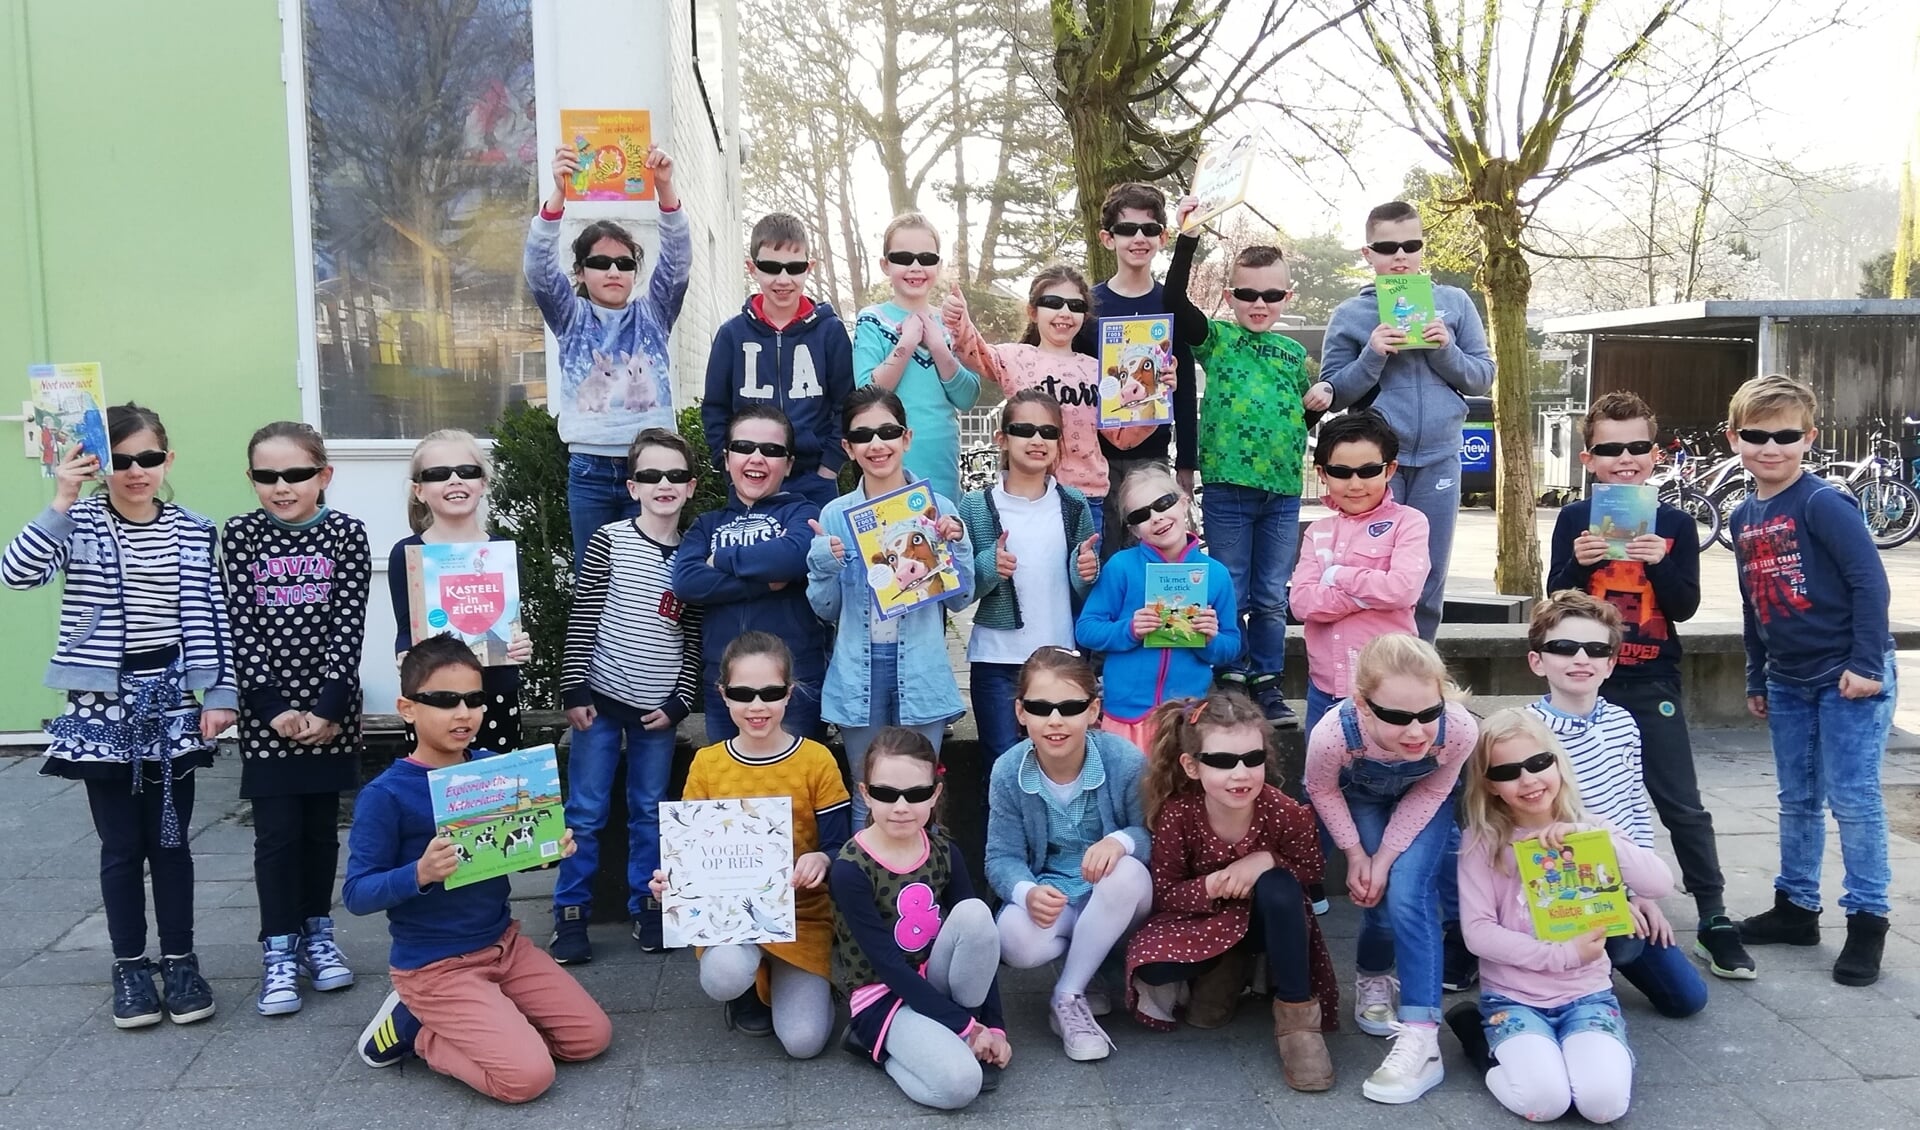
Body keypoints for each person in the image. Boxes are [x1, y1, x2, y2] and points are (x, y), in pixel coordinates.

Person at [4, 404, 232, 1029]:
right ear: (104, 463)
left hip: (170, 704)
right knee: (121, 845)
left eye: (149, 459)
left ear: (167, 460)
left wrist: (219, 694)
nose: (136, 472)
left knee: (171, 842)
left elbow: (209, 616)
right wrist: (62, 496)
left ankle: (181, 961)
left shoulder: (191, 528)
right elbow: (17, 574)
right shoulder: (78, 523)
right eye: (122, 460)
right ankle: (131, 965)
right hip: (102, 707)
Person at [346, 636, 609, 1103]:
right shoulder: (385, 795)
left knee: (590, 1039)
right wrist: (420, 873)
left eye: (474, 699)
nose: (463, 713)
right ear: (408, 708)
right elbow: (358, 893)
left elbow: (509, 849)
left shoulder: (490, 770)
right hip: (435, 965)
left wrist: (549, 848)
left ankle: (487, 1019)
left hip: (502, 945)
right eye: (444, 701)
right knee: (527, 1079)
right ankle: (417, 1030)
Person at [1546, 390, 1753, 979]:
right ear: (1588, 459)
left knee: (1679, 800)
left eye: (1638, 446)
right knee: (1568, 796)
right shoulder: (1572, 518)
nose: (1626, 459)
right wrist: (1579, 564)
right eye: (1610, 450)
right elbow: (1555, 605)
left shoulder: (1676, 522)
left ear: (1656, 453)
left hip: (1650, 675)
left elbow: (1685, 606)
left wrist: (1661, 560)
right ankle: (1577, 900)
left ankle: (1712, 916)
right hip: (1585, 679)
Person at [1724, 374, 1896, 987]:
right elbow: (1753, 604)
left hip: (1849, 674)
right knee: (1796, 799)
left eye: (1786, 435)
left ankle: (1868, 920)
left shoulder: (1823, 503)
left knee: (1853, 798)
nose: (1771, 447)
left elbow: (1869, 583)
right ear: (1735, 437)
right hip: (1789, 678)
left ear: (1809, 438)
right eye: (1757, 435)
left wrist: (1869, 665)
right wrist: (1758, 673)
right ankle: (1797, 906)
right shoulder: (1745, 514)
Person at [1455, 709, 1673, 1124]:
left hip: (1587, 996)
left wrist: (1597, 839)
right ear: (1490, 785)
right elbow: (1478, 933)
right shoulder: (1482, 842)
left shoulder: (1589, 829)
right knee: (1545, 1102)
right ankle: (1479, 1044)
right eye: (1509, 771)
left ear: (1557, 762)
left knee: (1603, 1106)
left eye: (1539, 763)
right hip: (1513, 998)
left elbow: (1659, 883)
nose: (1530, 780)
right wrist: (1564, 955)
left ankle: (1554, 1059)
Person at [222, 421, 371, 1016]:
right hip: (269, 715)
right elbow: (240, 625)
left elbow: (348, 622)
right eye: (267, 476)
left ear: (323, 476)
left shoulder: (346, 535)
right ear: (253, 479)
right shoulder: (240, 535)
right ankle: (278, 949)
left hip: (331, 711)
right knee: (277, 835)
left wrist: (329, 707)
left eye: (297, 474)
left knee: (318, 832)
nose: (282, 486)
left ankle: (318, 935)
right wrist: (273, 708)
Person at [1125, 688, 1338, 1093]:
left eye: (1252, 759)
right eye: (1222, 761)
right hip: (1206, 922)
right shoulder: (1179, 813)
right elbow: (1165, 890)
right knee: (1152, 966)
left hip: (1268, 918)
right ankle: (1231, 965)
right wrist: (1206, 886)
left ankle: (1297, 1020)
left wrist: (1266, 860)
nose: (1240, 774)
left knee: (1279, 886)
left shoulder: (1285, 812)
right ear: (1192, 766)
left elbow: (1312, 869)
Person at [650, 632, 849, 1053]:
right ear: (723, 695)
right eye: (743, 693)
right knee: (723, 975)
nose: (757, 706)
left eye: (770, 693)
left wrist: (821, 858)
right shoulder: (707, 764)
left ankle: (797, 981)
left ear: (788, 694)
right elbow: (685, 854)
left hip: (801, 917)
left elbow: (840, 847)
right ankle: (748, 983)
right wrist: (670, 884)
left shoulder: (817, 759)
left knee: (804, 1043)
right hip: (728, 919)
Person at [1303, 634, 1478, 1105]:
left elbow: (1432, 793)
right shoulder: (1334, 732)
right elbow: (1321, 790)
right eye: (1396, 717)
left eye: (1428, 712)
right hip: (1358, 795)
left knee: (1408, 893)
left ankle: (1422, 1034)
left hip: (1424, 799)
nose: (1416, 731)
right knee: (1373, 896)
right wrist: (1358, 857)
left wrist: (1384, 859)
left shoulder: (1458, 730)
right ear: (1362, 703)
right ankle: (1374, 974)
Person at [1165, 195, 1319, 726]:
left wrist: (1320, 404)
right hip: (1228, 486)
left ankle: (1268, 683)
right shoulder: (1218, 339)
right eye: (1248, 294)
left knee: (1272, 595)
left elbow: (1299, 417)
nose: (1260, 303)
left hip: (1281, 491)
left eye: (1271, 295)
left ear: (1286, 296)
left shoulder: (1295, 355)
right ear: (1230, 296)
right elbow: (1172, 300)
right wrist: (1188, 237)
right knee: (1228, 584)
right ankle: (1231, 679)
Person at [552, 428, 704, 961]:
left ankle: (649, 904)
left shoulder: (694, 553)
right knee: (585, 811)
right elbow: (584, 615)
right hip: (599, 698)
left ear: (690, 487)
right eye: (650, 475)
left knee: (651, 810)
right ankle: (570, 913)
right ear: (632, 485)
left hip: (657, 711)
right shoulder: (610, 539)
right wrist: (572, 686)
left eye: (674, 476)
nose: (663, 484)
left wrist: (681, 702)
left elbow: (694, 639)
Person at [1521, 591, 1708, 1019]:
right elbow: (1532, 829)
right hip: (1556, 888)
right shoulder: (1528, 734)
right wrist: (1609, 901)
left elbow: (1634, 809)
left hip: (1618, 881)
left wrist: (1640, 893)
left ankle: (1601, 961)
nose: (1580, 658)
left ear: (1610, 663)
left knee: (1687, 999)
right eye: (1563, 648)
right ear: (1538, 661)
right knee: (1611, 955)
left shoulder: (1623, 723)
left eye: (1596, 649)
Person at [1317, 201, 1496, 641]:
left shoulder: (1453, 302)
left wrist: (1446, 349)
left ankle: (1421, 671)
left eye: (1411, 245)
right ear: (1368, 253)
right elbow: (1333, 392)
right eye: (1388, 246)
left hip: (1440, 457)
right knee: (1375, 568)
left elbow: (1483, 377)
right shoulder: (1350, 314)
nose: (1400, 255)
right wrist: (1371, 354)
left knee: (1429, 570)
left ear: (1421, 248)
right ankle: (1371, 666)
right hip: (1377, 464)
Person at [807, 387, 974, 829]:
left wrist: (951, 548)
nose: (876, 444)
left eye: (887, 431)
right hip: (857, 672)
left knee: (921, 797)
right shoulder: (835, 515)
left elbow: (960, 600)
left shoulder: (939, 510)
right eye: (863, 435)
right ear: (848, 447)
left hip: (920, 670)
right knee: (868, 796)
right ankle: (869, 896)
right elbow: (826, 610)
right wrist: (824, 562)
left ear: (907, 437)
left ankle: (924, 896)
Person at [524, 141, 689, 568]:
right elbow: (538, 269)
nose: (613, 270)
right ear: (580, 272)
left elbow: (677, 262)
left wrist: (665, 191)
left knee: (654, 576)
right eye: (599, 262)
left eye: (624, 262)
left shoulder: (653, 312)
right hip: (589, 469)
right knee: (593, 581)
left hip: (652, 468)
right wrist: (557, 196)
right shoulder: (571, 316)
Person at [986, 646, 1152, 1062]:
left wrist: (1121, 841)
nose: (1055, 720)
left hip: (1115, 893)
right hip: (1057, 888)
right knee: (1013, 938)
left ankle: (1068, 995)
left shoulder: (1124, 760)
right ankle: (1087, 968)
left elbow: (1153, 835)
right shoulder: (1008, 770)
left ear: (1094, 710)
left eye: (1070, 707)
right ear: (1021, 712)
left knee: (1125, 873)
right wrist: (1026, 893)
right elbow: (1000, 857)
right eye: (1041, 708)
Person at [830, 727, 1010, 1109]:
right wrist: (966, 1029)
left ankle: (956, 1028)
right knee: (961, 1086)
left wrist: (994, 1026)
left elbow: (982, 946)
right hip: (882, 996)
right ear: (865, 793)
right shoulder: (850, 869)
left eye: (916, 794)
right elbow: (888, 966)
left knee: (977, 914)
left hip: (934, 978)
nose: (900, 806)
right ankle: (873, 1046)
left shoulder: (943, 850)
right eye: (885, 793)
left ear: (935, 793)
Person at [952, 265, 1159, 533]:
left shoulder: (1101, 371)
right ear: (1033, 311)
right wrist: (959, 320)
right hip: (1028, 494)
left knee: (1082, 574)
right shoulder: (1014, 357)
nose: (1064, 312)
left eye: (1075, 305)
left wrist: (1157, 396)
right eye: (1052, 302)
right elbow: (974, 353)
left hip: (1086, 498)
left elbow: (1122, 437)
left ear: (1085, 315)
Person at [958, 390, 1102, 763]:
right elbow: (960, 588)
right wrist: (990, 566)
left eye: (1048, 431)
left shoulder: (1073, 503)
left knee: (1060, 764)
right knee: (1002, 764)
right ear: (1002, 438)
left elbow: (1085, 588)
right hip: (997, 661)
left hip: (1060, 657)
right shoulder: (976, 505)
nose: (1037, 440)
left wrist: (1086, 573)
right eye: (1024, 429)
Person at [675, 406, 826, 742]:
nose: (757, 457)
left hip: (793, 680)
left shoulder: (804, 512)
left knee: (795, 787)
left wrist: (722, 559)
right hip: (723, 682)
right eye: (744, 447)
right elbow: (686, 581)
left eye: (771, 450)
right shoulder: (706, 524)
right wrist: (766, 583)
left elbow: (793, 556)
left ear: (787, 465)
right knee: (730, 789)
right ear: (727, 459)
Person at [386, 430, 533, 758]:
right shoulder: (406, 554)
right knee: (432, 796)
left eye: (467, 472)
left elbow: (509, 626)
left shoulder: (503, 552)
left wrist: (521, 644)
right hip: (432, 701)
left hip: (494, 696)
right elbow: (405, 629)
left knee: (495, 798)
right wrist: (404, 657)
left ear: (483, 484)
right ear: (419, 490)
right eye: (438, 474)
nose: (454, 480)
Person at [1071, 183, 1200, 555]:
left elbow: (1187, 387)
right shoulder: (1087, 307)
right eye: (1127, 229)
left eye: (1149, 229)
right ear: (1108, 238)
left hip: (1153, 455)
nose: (1138, 238)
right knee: (1102, 557)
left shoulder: (1170, 302)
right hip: (1095, 459)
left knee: (1155, 554)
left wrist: (1187, 463)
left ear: (1163, 236)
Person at [1075, 463, 1240, 751]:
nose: (1157, 518)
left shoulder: (1215, 573)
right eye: (1141, 514)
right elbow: (1087, 629)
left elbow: (1232, 645)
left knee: (1180, 795)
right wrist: (1129, 630)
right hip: (1126, 717)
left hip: (1186, 717)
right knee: (1129, 794)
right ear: (1134, 530)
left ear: (1184, 501)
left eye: (1164, 503)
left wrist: (1210, 639)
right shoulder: (1121, 567)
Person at [1288, 410, 1430, 735]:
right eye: (1341, 472)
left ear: (1390, 469)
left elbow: (1404, 590)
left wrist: (1338, 575)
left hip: (1391, 693)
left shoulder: (1409, 522)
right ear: (1322, 473)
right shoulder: (1317, 532)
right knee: (1320, 783)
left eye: (1368, 471)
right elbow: (1301, 603)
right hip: (1324, 690)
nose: (1355, 484)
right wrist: (1371, 594)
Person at [701, 212, 853, 510]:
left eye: (794, 268)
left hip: (815, 481)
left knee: (819, 556)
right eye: (771, 267)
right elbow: (715, 408)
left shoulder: (830, 331)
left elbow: (845, 405)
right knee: (752, 558)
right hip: (750, 477)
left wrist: (829, 468)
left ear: (809, 268)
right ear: (752, 268)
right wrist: (730, 469)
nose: (783, 279)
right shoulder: (732, 334)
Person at [852, 213, 980, 504]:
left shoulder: (953, 321)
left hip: (942, 466)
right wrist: (906, 342)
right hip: (885, 462)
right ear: (885, 264)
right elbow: (868, 393)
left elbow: (968, 396)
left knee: (941, 539)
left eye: (926, 258)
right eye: (903, 257)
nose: (915, 267)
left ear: (938, 264)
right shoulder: (872, 320)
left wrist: (938, 345)